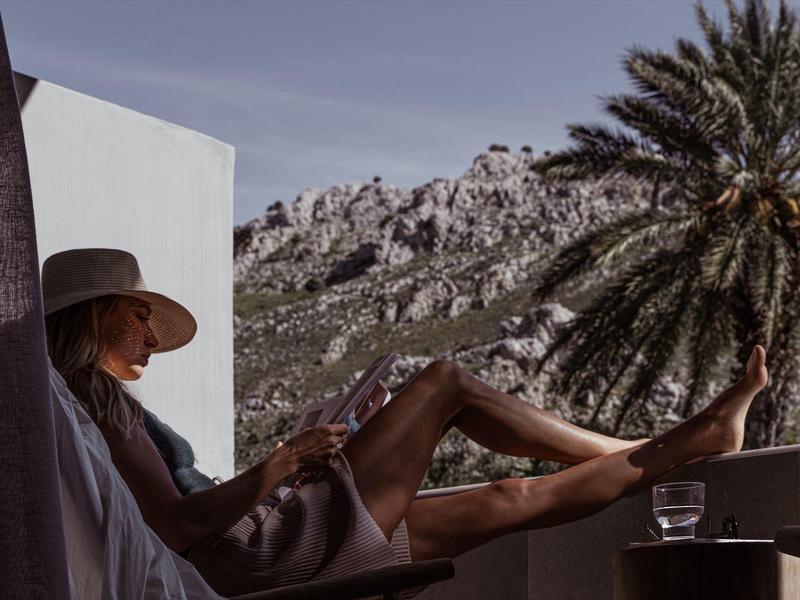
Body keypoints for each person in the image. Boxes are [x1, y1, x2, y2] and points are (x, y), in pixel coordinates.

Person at [42, 248, 769, 597]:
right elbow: (174, 526)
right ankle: (682, 440)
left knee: (506, 499)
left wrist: (291, 461)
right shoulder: (93, 399)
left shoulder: (87, 404)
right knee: (445, 384)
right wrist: (281, 465)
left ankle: (685, 442)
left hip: (259, 544)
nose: (148, 332)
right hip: (256, 557)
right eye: (136, 315)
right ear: (91, 315)